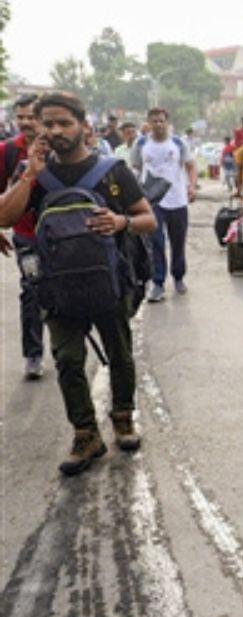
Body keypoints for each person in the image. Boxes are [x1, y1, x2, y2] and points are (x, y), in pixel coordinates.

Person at [0, 92, 156, 475]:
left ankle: (122, 417)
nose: (56, 130)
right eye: (47, 124)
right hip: (58, 286)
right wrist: (31, 175)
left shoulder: (112, 171)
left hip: (110, 282)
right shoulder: (35, 173)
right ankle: (85, 434)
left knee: (119, 354)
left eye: (64, 122)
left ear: (83, 126)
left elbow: (148, 218)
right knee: (69, 361)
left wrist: (122, 223)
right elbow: (4, 217)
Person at [0, 94, 46, 380]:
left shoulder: (59, 148)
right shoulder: (7, 151)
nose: (26, 123)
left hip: (63, 238)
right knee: (31, 292)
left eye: (31, 116)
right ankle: (33, 353)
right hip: (26, 236)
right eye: (21, 117)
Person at [133, 106, 197, 302]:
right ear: (149, 123)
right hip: (153, 203)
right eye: (154, 121)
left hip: (177, 200)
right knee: (156, 243)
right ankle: (158, 283)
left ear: (167, 122)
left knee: (178, 242)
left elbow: (191, 165)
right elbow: (135, 169)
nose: (158, 124)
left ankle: (178, 276)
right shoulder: (141, 143)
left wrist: (192, 186)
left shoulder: (178, 143)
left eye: (161, 120)